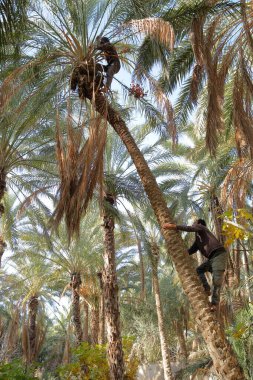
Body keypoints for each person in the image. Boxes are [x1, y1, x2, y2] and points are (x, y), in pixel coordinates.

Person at [163, 219, 227, 311]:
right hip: (212, 259)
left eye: (194, 223)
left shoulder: (201, 227)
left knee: (216, 281)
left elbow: (190, 228)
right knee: (199, 270)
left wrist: (174, 227)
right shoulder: (198, 240)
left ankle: (214, 304)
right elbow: (191, 250)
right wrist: (178, 252)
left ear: (199, 224)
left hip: (219, 255)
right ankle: (206, 288)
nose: (193, 224)